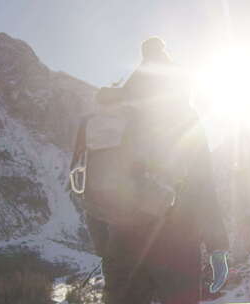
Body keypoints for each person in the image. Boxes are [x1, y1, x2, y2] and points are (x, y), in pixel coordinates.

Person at [72, 37, 229, 304]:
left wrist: (105, 246)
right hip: (179, 242)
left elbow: (87, 186)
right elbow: (204, 186)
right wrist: (217, 247)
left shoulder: (108, 118)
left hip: (122, 243)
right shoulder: (183, 115)